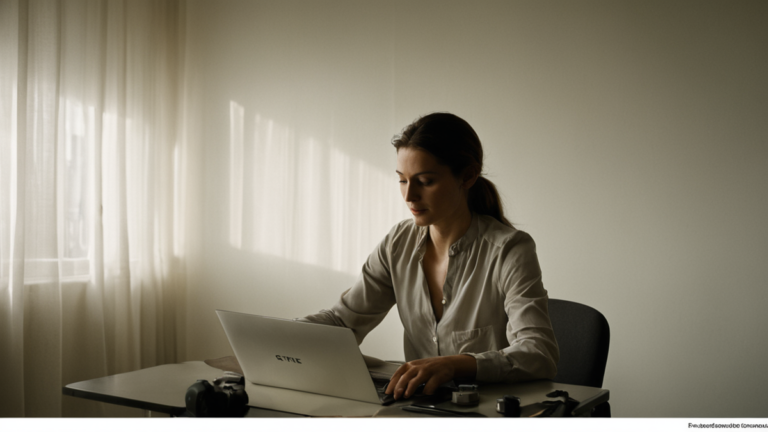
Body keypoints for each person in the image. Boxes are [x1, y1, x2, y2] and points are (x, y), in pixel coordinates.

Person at [300, 112, 559, 401]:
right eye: (402, 180)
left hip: (486, 411)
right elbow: (343, 322)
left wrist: (455, 365)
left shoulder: (510, 249)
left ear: (468, 176)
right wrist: (281, 334)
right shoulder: (397, 243)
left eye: (424, 181)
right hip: (415, 409)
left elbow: (539, 353)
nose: (409, 196)